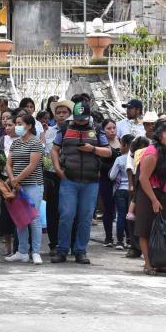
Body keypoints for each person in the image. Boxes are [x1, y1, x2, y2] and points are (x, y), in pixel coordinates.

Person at [49, 101, 111, 265]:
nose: (80, 121)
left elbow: (108, 151)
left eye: (83, 119)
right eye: (78, 118)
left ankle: (80, 251)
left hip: (91, 182)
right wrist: (57, 168)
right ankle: (62, 250)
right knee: (66, 215)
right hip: (69, 179)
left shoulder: (97, 129)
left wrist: (93, 149)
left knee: (85, 217)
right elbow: (54, 149)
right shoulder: (64, 128)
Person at [133, 122, 166, 275]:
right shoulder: (152, 152)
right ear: (160, 136)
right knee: (146, 229)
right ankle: (148, 264)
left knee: (163, 230)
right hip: (150, 196)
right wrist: (154, 200)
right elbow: (143, 178)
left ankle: (161, 262)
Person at [5, 113, 46, 264]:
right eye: (16, 123)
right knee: (20, 218)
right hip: (17, 186)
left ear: (29, 126)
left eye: (20, 123)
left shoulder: (35, 143)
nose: (17, 126)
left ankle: (35, 251)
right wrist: (12, 180)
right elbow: (8, 164)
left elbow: (32, 165)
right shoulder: (15, 143)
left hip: (33, 184)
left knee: (34, 219)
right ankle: (22, 251)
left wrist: (16, 179)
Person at [43, 99, 73, 257]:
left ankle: (71, 243)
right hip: (53, 174)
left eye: (65, 112)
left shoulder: (75, 130)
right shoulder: (49, 131)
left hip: (71, 174)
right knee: (53, 210)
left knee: (70, 211)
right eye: (59, 113)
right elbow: (48, 152)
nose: (61, 115)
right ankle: (54, 243)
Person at [0, 114, 17, 256]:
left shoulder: (23, 141)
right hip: (3, 180)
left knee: (19, 212)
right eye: (6, 125)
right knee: (5, 214)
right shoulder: (2, 140)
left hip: (19, 180)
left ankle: (20, 245)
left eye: (10, 125)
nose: (7, 128)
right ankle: (8, 246)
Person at [109, 133, 134, 250]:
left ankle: (119, 241)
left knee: (121, 215)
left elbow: (112, 176)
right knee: (131, 215)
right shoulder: (136, 159)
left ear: (125, 145)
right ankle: (130, 240)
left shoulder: (119, 159)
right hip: (132, 191)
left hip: (120, 191)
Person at [99, 119, 121, 247]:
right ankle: (108, 237)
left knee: (122, 209)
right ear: (103, 130)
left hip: (121, 181)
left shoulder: (121, 141)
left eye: (114, 127)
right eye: (108, 128)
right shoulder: (102, 144)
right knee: (108, 208)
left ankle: (122, 235)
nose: (112, 130)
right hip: (106, 180)